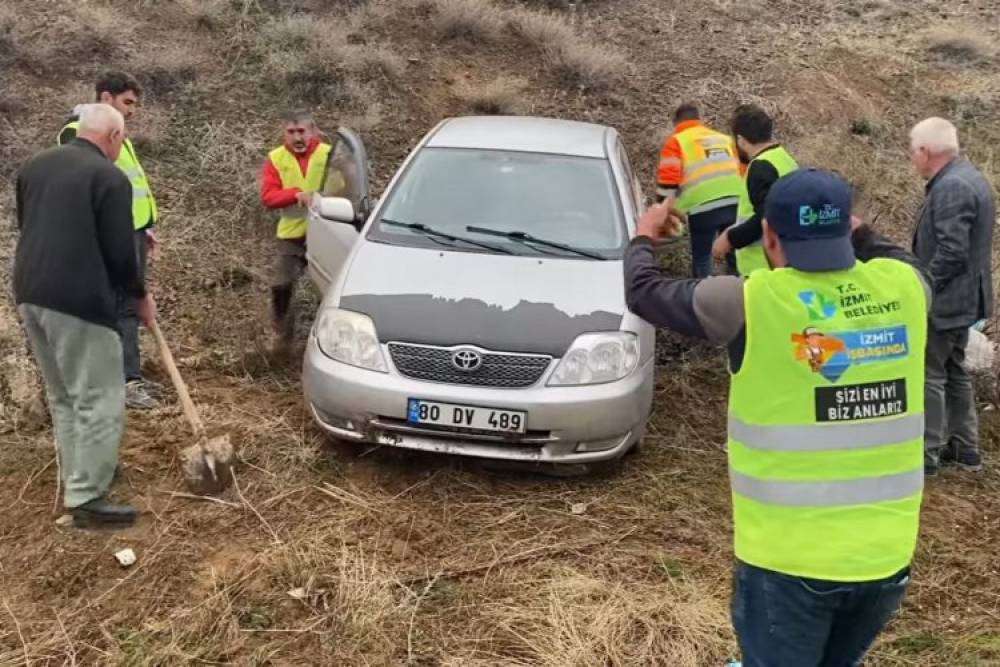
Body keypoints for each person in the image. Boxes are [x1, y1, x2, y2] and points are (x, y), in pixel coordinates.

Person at [626, 170, 929, 666]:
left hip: (787, 565)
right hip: (884, 562)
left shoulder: (749, 301)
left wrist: (645, 234)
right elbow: (901, 257)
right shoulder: (907, 288)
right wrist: (860, 231)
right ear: (847, 229)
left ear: (768, 236)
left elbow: (643, 292)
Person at [15, 104, 156, 528]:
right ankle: (88, 499)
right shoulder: (109, 177)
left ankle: (81, 473)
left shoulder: (36, 165)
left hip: (30, 293)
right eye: (122, 141)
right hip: (78, 300)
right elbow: (119, 252)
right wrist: (139, 296)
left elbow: (32, 224)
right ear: (113, 137)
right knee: (99, 396)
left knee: (64, 396)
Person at [58, 71, 160, 410]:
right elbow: (95, 191)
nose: (132, 111)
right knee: (124, 305)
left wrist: (143, 225)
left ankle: (127, 376)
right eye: (127, 102)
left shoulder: (118, 135)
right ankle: (126, 381)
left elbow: (128, 186)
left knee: (127, 305)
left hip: (130, 231)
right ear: (106, 98)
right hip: (111, 235)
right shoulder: (81, 135)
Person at [910, 117, 996, 474]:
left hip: (946, 301)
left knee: (930, 372)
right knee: (954, 369)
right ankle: (965, 449)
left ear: (925, 151)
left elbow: (952, 250)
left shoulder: (952, 187)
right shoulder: (968, 176)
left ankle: (926, 457)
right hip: (963, 299)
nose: (911, 158)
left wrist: (922, 287)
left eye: (912, 151)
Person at [259, 110, 332, 347]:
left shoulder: (329, 155)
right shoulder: (276, 158)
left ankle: (328, 340)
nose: (297, 137)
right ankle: (281, 337)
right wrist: (296, 195)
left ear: (312, 131)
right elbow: (269, 197)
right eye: (291, 132)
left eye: (301, 131)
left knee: (330, 291)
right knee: (281, 284)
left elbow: (346, 186)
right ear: (284, 133)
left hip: (327, 231)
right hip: (291, 235)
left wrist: (321, 198)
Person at [655, 102, 743, 277]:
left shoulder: (676, 142)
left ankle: (703, 296)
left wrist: (663, 215)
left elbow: (668, 183)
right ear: (699, 119)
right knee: (736, 252)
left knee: (703, 257)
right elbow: (742, 170)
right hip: (736, 203)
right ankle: (741, 293)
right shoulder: (724, 139)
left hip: (703, 208)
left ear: (676, 123)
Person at [712, 104, 798, 276]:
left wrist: (730, 238)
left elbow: (767, 216)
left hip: (762, 268)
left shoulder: (760, 167)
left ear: (742, 140)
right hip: (787, 258)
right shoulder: (783, 158)